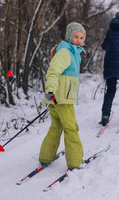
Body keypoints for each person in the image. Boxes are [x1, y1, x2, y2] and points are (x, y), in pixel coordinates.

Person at [39, 22, 86, 170]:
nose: (78, 40)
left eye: (81, 37)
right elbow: (53, 71)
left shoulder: (72, 52)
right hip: (62, 99)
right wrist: (50, 92)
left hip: (57, 97)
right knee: (71, 128)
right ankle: (75, 163)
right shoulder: (65, 52)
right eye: (75, 37)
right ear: (69, 37)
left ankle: (45, 157)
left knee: (56, 126)